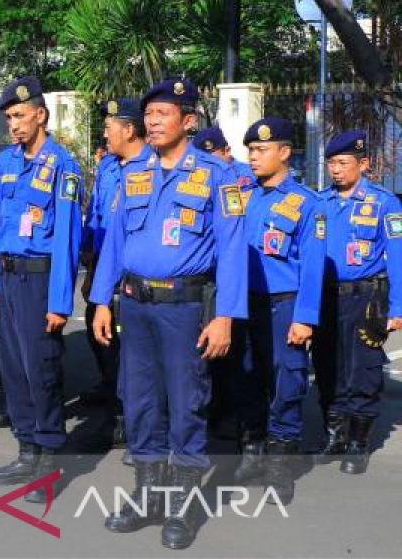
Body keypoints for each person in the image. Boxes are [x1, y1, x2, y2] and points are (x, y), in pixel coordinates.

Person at [87, 77, 247, 550]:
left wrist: (225, 316)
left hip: (183, 308)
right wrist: (100, 300)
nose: (152, 122)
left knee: (185, 404)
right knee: (138, 402)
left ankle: (181, 506)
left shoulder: (219, 177)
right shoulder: (133, 172)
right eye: (149, 115)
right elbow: (115, 242)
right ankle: (147, 496)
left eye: (163, 114)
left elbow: (234, 250)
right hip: (134, 306)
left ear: (189, 121)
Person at [0, 77, 82, 503]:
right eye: (8, 118)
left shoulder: (62, 166)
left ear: (41, 114)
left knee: (42, 369)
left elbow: (67, 240)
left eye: (20, 115)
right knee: (15, 369)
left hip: (42, 279)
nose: (14, 124)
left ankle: (49, 460)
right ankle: (26, 450)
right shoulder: (6, 163)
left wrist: (60, 301)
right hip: (8, 276)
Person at [225, 117, 324, 504]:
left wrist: (305, 317)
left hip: (283, 306)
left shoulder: (306, 203)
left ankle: (281, 463)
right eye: (250, 150)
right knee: (245, 376)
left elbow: (313, 266)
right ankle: (253, 450)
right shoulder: (241, 196)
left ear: (284, 153)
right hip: (243, 304)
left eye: (261, 150)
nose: (253, 156)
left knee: (286, 381)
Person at [313, 130, 402, 475]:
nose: (336, 170)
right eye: (332, 163)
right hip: (326, 297)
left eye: (343, 163)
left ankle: (358, 442)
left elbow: (396, 256)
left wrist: (397, 307)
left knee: (362, 369)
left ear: (362, 164)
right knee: (327, 365)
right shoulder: (320, 202)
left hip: (366, 297)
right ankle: (334, 434)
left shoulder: (384, 203)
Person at [81, 98, 151, 449]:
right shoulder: (108, 167)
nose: (105, 132)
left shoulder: (152, 168)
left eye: (110, 126)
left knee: (132, 352)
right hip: (102, 269)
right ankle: (113, 398)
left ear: (128, 129)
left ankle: (129, 420)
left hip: (134, 275)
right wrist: (88, 254)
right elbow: (95, 212)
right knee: (101, 338)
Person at [194, 126, 255, 192]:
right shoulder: (194, 175)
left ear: (227, 151)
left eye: (210, 159)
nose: (204, 163)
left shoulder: (250, 173)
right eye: (201, 158)